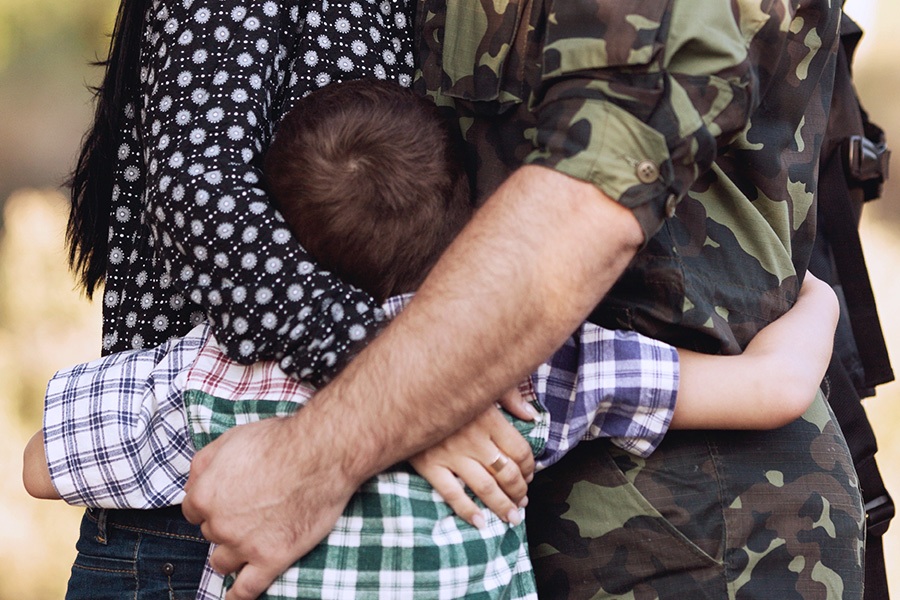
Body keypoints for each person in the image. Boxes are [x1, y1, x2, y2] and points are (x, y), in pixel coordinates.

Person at [26, 80, 838, 599]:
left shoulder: (208, 371)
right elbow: (775, 387)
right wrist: (815, 288)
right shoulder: (528, 367)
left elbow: (40, 466)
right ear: (470, 233)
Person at [179, 2, 867, 600]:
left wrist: (313, 456)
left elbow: (600, 180)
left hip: (700, 535)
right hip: (564, 519)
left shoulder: (225, 384)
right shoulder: (569, 375)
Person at [58, 1, 432, 598]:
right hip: (193, 523)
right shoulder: (184, 377)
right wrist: (407, 387)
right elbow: (198, 193)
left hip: (325, 503)